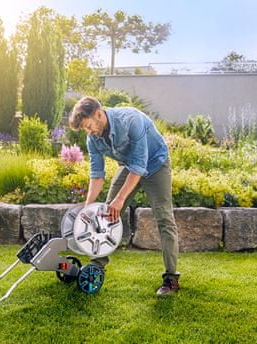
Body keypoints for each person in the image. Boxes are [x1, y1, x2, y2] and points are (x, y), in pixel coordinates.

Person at [69, 96, 180, 296]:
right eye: (85, 129)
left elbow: (140, 166)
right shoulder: (92, 138)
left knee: (164, 218)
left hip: (156, 164)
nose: (89, 131)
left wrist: (119, 200)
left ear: (99, 114)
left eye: (88, 126)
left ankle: (171, 278)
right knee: (106, 214)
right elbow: (97, 174)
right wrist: (88, 206)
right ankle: (97, 265)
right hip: (130, 166)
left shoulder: (130, 120)